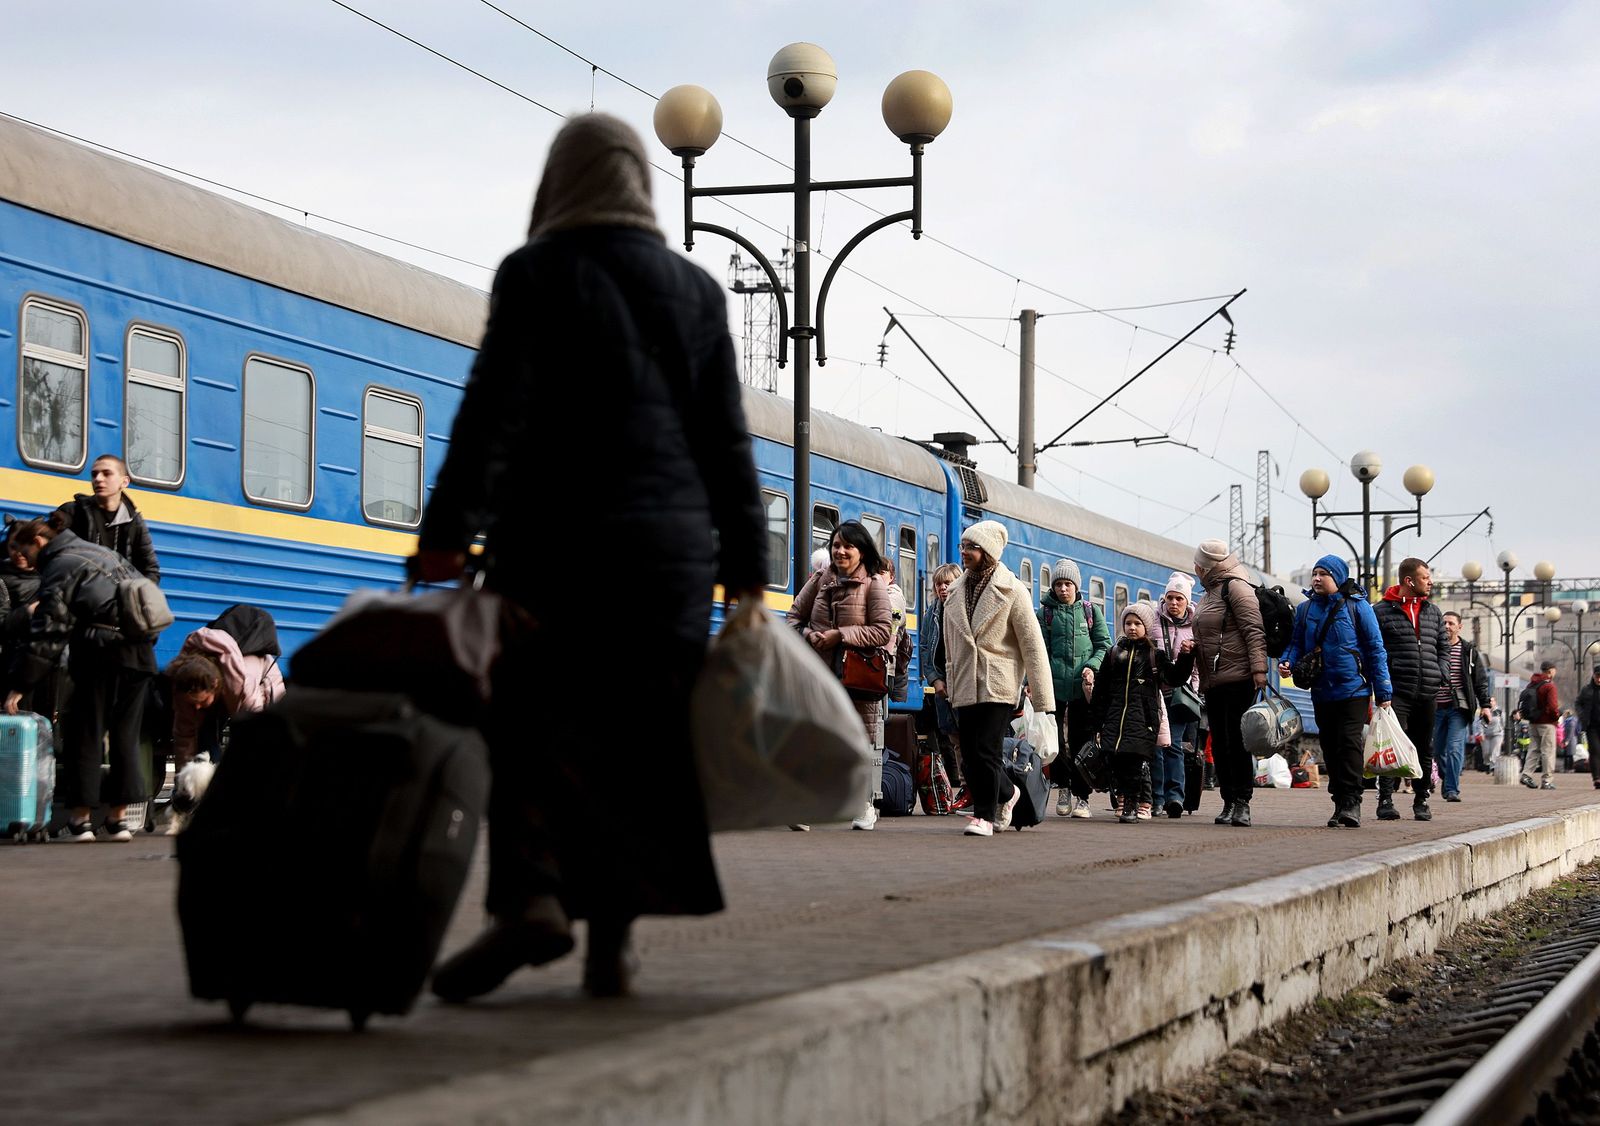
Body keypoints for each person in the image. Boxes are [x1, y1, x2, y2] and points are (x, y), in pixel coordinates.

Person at [412, 114, 768, 1002]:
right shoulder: (696, 291)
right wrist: (748, 574)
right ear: (640, 184)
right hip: (671, 567)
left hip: (556, 548)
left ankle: (529, 899)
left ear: (558, 183)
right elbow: (728, 444)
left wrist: (446, 535)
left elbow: (495, 413)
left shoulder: (536, 273)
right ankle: (612, 944)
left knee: (529, 722)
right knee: (640, 749)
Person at [3, 514, 157, 842]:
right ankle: (118, 822)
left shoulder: (61, 565)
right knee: (126, 737)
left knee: (84, 734)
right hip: (140, 653)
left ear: (39, 542)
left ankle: (81, 821)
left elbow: (50, 631)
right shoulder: (104, 553)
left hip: (101, 652)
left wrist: (21, 683)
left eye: (26, 552)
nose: (27, 560)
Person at [938, 520, 1055, 837]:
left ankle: (984, 817)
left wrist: (1044, 699)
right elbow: (947, 640)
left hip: (998, 682)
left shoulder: (1012, 589)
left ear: (987, 552)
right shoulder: (955, 591)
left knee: (986, 751)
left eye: (971, 547)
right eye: (963, 547)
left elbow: (1032, 644)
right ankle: (1007, 793)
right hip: (964, 681)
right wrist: (946, 676)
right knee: (971, 754)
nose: (965, 553)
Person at [788, 520, 894, 831]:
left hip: (856, 675)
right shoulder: (821, 579)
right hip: (819, 673)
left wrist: (840, 635)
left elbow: (882, 630)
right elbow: (794, 616)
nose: (840, 551)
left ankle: (863, 804)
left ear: (862, 551)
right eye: (836, 545)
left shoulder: (873, 585)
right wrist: (809, 636)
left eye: (848, 546)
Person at [1276, 556, 1392, 827]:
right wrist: (1287, 661)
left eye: (1323, 574)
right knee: (1329, 746)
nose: (1316, 579)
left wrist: (1383, 691)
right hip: (1321, 689)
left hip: (1354, 688)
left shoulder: (1358, 607)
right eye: (1314, 573)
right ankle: (1339, 801)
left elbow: (1376, 649)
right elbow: (1295, 643)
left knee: (1348, 742)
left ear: (1337, 578)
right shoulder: (1305, 610)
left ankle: (1352, 802)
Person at [1191, 539, 1268, 827]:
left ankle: (1242, 802)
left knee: (1236, 741)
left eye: (1198, 564)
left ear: (1206, 566)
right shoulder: (1209, 593)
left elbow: (1254, 630)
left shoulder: (1235, 587)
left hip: (1238, 678)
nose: (1195, 568)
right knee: (1220, 743)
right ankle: (1227, 801)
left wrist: (1259, 670)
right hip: (1214, 680)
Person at [1093, 601, 1192, 822]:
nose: (1132, 627)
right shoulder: (1114, 653)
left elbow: (1175, 677)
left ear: (1146, 627)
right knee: (1115, 759)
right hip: (1115, 718)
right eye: (1128, 623)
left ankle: (1131, 802)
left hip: (1143, 719)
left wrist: (1187, 658)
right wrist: (1098, 720)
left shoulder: (1154, 655)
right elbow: (1101, 689)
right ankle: (1122, 796)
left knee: (1134, 761)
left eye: (1137, 623)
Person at [1372, 558, 1450, 822]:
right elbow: (1375, 649)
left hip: (1427, 690)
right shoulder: (1381, 611)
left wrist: (1441, 672)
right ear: (1409, 581)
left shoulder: (1433, 611)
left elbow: (1443, 647)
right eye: (1426, 577)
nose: (1430, 582)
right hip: (1397, 691)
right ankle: (1385, 800)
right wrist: (1381, 684)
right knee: (1391, 745)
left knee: (1424, 747)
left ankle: (1421, 799)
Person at [1037, 559, 1111, 818]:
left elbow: (1104, 644)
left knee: (1081, 740)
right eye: (1058, 584)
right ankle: (1064, 788)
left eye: (1067, 584)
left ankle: (1082, 796)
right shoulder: (1045, 614)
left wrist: (1091, 665)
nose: (1063, 589)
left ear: (1076, 586)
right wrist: (1031, 682)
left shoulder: (1090, 611)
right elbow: (1038, 651)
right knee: (1054, 742)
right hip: (1053, 688)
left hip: (1082, 688)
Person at [54, 453, 160, 582]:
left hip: (117, 598)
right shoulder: (72, 512)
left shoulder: (134, 521)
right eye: (94, 474)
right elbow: (48, 552)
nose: (98, 479)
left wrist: (136, 596)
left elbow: (150, 571)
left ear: (124, 482)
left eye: (107, 473)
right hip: (77, 596)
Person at [1431, 611, 1492, 802]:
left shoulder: (1469, 651)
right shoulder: (1433, 648)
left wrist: (1485, 705)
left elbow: (1480, 681)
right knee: (1438, 751)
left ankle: (1451, 790)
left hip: (1460, 707)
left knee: (1454, 748)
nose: (1447, 626)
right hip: (1436, 707)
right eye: (1444, 623)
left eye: (1450, 623)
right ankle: (1446, 778)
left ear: (1459, 626)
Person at [919, 562, 967, 804]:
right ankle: (968, 787)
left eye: (948, 583)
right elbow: (926, 647)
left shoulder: (966, 609)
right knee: (955, 738)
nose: (943, 587)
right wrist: (935, 680)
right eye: (939, 583)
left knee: (971, 737)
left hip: (965, 682)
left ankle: (978, 786)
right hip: (943, 686)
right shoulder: (932, 613)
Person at [1153, 572, 1200, 819]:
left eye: (1179, 598)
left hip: (1181, 695)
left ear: (1186, 601)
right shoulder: (1153, 621)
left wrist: (1195, 687)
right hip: (1156, 693)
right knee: (1157, 747)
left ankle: (1175, 798)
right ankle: (1157, 798)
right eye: (1170, 597)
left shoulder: (1195, 626)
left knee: (1174, 746)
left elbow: (1198, 665)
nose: (1173, 603)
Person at [1521, 659, 1561, 789]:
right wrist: (1556, 717)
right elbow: (1553, 706)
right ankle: (1547, 780)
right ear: (1550, 671)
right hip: (1547, 724)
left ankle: (1526, 774)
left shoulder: (1532, 684)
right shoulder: (1549, 686)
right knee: (1548, 752)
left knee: (1533, 749)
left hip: (1533, 723)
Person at [1577, 666, 1600, 790]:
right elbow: (1578, 703)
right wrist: (1582, 715)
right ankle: (1596, 778)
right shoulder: (1587, 690)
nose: (1599, 679)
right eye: (1597, 676)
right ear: (1593, 676)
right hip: (1592, 726)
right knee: (1595, 751)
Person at [1481, 704, 1506, 771]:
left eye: (1492, 701)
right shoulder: (1484, 711)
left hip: (1497, 734)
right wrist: (1481, 733)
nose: (1490, 703)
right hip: (1486, 734)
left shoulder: (1499, 711)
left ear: (1495, 702)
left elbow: (1504, 723)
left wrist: (1503, 734)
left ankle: (1494, 767)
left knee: (1495, 751)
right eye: (1489, 701)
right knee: (1486, 752)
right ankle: (1487, 764)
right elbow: (1481, 723)